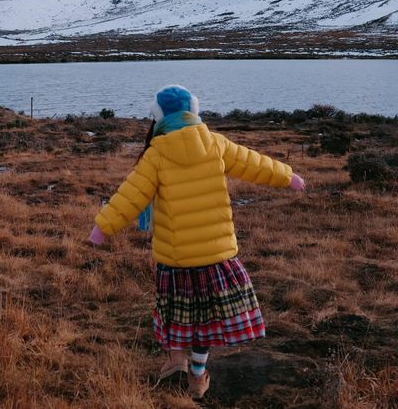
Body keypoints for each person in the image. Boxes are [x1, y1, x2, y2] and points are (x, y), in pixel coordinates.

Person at [88, 85, 305, 399]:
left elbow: (131, 196)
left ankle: (176, 359)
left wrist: (102, 228)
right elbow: (255, 163)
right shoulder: (214, 143)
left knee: (176, 314)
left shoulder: (156, 153)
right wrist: (288, 176)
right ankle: (198, 374)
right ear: (193, 111)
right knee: (205, 321)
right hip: (216, 255)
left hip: (175, 259)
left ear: (158, 116)